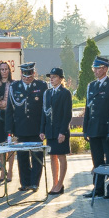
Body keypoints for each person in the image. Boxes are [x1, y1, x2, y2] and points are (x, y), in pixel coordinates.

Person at [82, 56, 109, 199]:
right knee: (97, 161)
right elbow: (88, 109)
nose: (95, 71)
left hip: (106, 130)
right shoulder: (91, 86)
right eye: (94, 68)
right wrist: (85, 128)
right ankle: (98, 188)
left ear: (105, 69)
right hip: (94, 129)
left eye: (98, 68)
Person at [6, 62, 48, 192]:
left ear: (34, 73)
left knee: (37, 157)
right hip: (21, 128)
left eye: (30, 74)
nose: (27, 77)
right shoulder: (14, 86)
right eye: (25, 74)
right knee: (22, 157)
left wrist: (43, 129)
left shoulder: (41, 86)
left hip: (36, 129)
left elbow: (44, 110)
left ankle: (35, 183)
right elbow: (10, 110)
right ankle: (25, 183)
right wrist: (9, 130)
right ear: (21, 74)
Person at [40, 68, 72, 196]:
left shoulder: (65, 93)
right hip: (50, 131)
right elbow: (44, 112)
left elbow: (67, 114)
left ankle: (60, 184)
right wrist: (42, 130)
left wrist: (63, 132)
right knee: (52, 156)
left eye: (54, 77)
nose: (51, 79)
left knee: (61, 156)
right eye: (50, 77)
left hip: (60, 131)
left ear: (61, 78)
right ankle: (55, 183)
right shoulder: (47, 93)